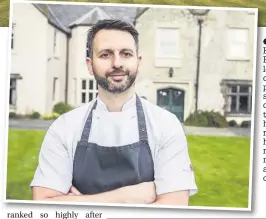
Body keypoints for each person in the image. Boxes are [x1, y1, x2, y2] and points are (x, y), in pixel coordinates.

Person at [30, 19, 198, 205]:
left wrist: (80, 202)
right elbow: (43, 205)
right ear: (89, 65)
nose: (117, 63)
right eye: (105, 54)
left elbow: (174, 207)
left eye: (126, 54)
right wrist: (126, 197)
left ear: (138, 62)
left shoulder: (166, 124)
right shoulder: (64, 127)